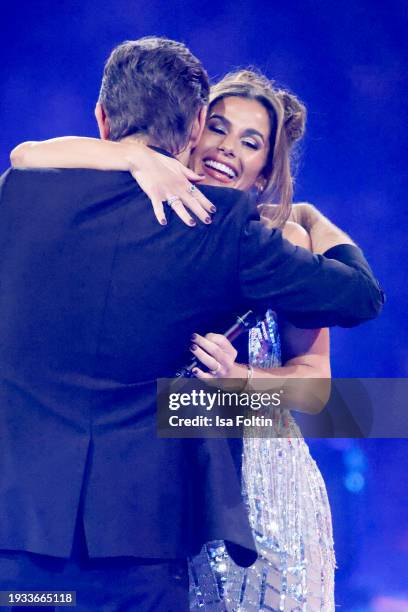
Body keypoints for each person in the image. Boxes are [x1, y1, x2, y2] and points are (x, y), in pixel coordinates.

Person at [3, 37, 384, 612]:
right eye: (220, 129)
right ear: (195, 126)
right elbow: (359, 297)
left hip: (244, 500)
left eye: (251, 142)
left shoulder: (19, 196)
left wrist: (243, 383)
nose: (227, 149)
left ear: (267, 168)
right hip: (155, 525)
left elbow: (319, 389)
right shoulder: (217, 229)